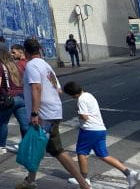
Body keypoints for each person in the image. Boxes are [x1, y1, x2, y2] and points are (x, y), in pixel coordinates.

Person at [14, 38, 90, 189]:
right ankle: (30, 181)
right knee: (37, 147)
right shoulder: (46, 66)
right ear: (39, 50)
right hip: (53, 111)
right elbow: (58, 89)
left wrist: (35, 113)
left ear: (26, 51)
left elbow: (36, 88)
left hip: (44, 114)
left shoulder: (32, 66)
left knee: (57, 150)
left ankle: (83, 184)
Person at [61, 81, 140, 188]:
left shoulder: (81, 100)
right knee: (103, 155)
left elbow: (84, 116)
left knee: (81, 152)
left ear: (72, 94)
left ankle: (84, 179)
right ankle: (129, 173)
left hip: (89, 130)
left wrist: (78, 111)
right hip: (100, 129)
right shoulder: (89, 95)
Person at [0, 45, 28, 152]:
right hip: (21, 97)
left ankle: (2, 146)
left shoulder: (0, 66)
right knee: (24, 124)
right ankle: (24, 145)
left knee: (3, 123)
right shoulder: (18, 66)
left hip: (7, 98)